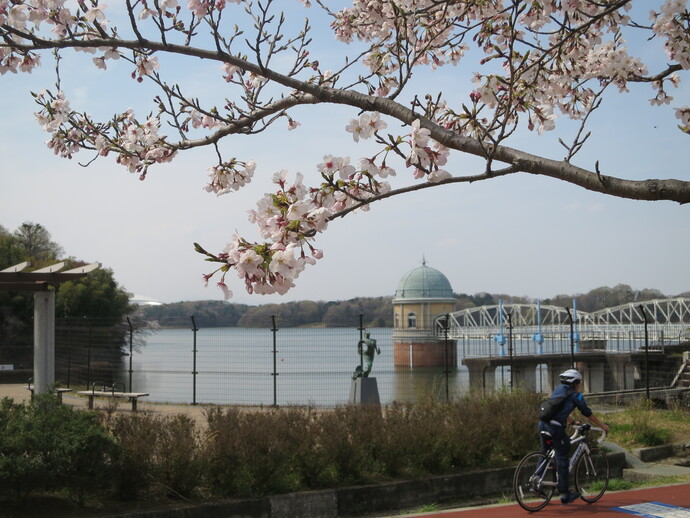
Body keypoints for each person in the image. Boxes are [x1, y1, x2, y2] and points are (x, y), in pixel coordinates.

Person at [538, 368, 609, 505]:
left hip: (542, 424)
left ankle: (536, 483)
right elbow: (586, 412)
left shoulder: (558, 390)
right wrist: (602, 426)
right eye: (579, 382)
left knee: (545, 453)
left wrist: (571, 422)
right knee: (563, 456)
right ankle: (565, 493)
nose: (580, 384)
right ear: (575, 382)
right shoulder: (576, 395)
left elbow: (556, 408)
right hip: (555, 428)